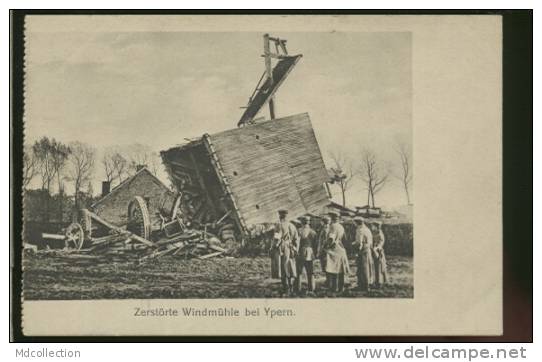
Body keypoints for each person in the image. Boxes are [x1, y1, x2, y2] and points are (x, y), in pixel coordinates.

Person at [270, 209, 299, 294]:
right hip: (290, 247)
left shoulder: (279, 225)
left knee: (282, 267)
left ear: (280, 216)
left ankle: (286, 287)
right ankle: (291, 286)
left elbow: (276, 238)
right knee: (289, 265)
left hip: (281, 247)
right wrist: (295, 248)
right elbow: (296, 239)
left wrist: (272, 248)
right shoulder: (292, 226)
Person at [325, 211, 351, 292]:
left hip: (334, 249)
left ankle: (334, 288)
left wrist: (327, 246)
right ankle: (341, 287)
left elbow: (331, 238)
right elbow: (345, 239)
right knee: (341, 270)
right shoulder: (341, 226)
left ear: (332, 218)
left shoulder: (332, 226)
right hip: (341, 249)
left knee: (334, 269)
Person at [295, 216, 318, 293]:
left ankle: (297, 288)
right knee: (310, 271)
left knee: (299, 271)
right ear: (309, 222)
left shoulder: (298, 231)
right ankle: (311, 288)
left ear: (301, 222)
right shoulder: (313, 232)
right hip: (310, 252)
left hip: (301, 252)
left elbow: (296, 243)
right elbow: (315, 244)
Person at [352, 216, 374, 291]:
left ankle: (364, 286)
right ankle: (366, 284)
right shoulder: (367, 229)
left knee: (363, 268)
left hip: (363, 251)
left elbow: (359, 243)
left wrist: (356, 249)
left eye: (354, 222)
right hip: (368, 250)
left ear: (357, 222)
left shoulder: (360, 230)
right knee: (367, 267)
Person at [371, 221, 388, 287]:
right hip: (376, 251)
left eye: (373, 226)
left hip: (378, 252)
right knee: (377, 267)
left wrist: (376, 248)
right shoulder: (376, 233)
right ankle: (380, 281)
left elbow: (381, 244)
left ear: (376, 227)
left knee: (379, 267)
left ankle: (379, 282)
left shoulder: (380, 234)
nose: (372, 227)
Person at [316, 216, 331, 287]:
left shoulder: (325, 230)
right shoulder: (329, 228)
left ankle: (328, 281)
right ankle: (328, 281)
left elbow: (323, 242)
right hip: (327, 250)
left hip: (324, 251)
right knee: (327, 265)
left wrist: (319, 251)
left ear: (323, 222)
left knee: (326, 266)